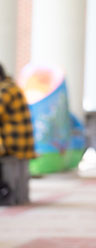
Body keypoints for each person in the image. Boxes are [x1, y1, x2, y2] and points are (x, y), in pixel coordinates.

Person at [0, 63, 35, 205]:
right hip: (23, 143)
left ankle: (5, 193)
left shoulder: (5, 90)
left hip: (13, 143)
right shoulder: (12, 86)